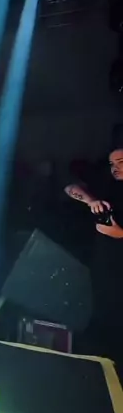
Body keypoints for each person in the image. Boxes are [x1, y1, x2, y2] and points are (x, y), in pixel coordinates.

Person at [65, 147, 123, 352]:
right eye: (112, 164)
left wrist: (119, 233)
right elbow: (70, 187)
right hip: (103, 265)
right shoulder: (108, 186)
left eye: (121, 162)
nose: (115, 168)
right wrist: (91, 201)